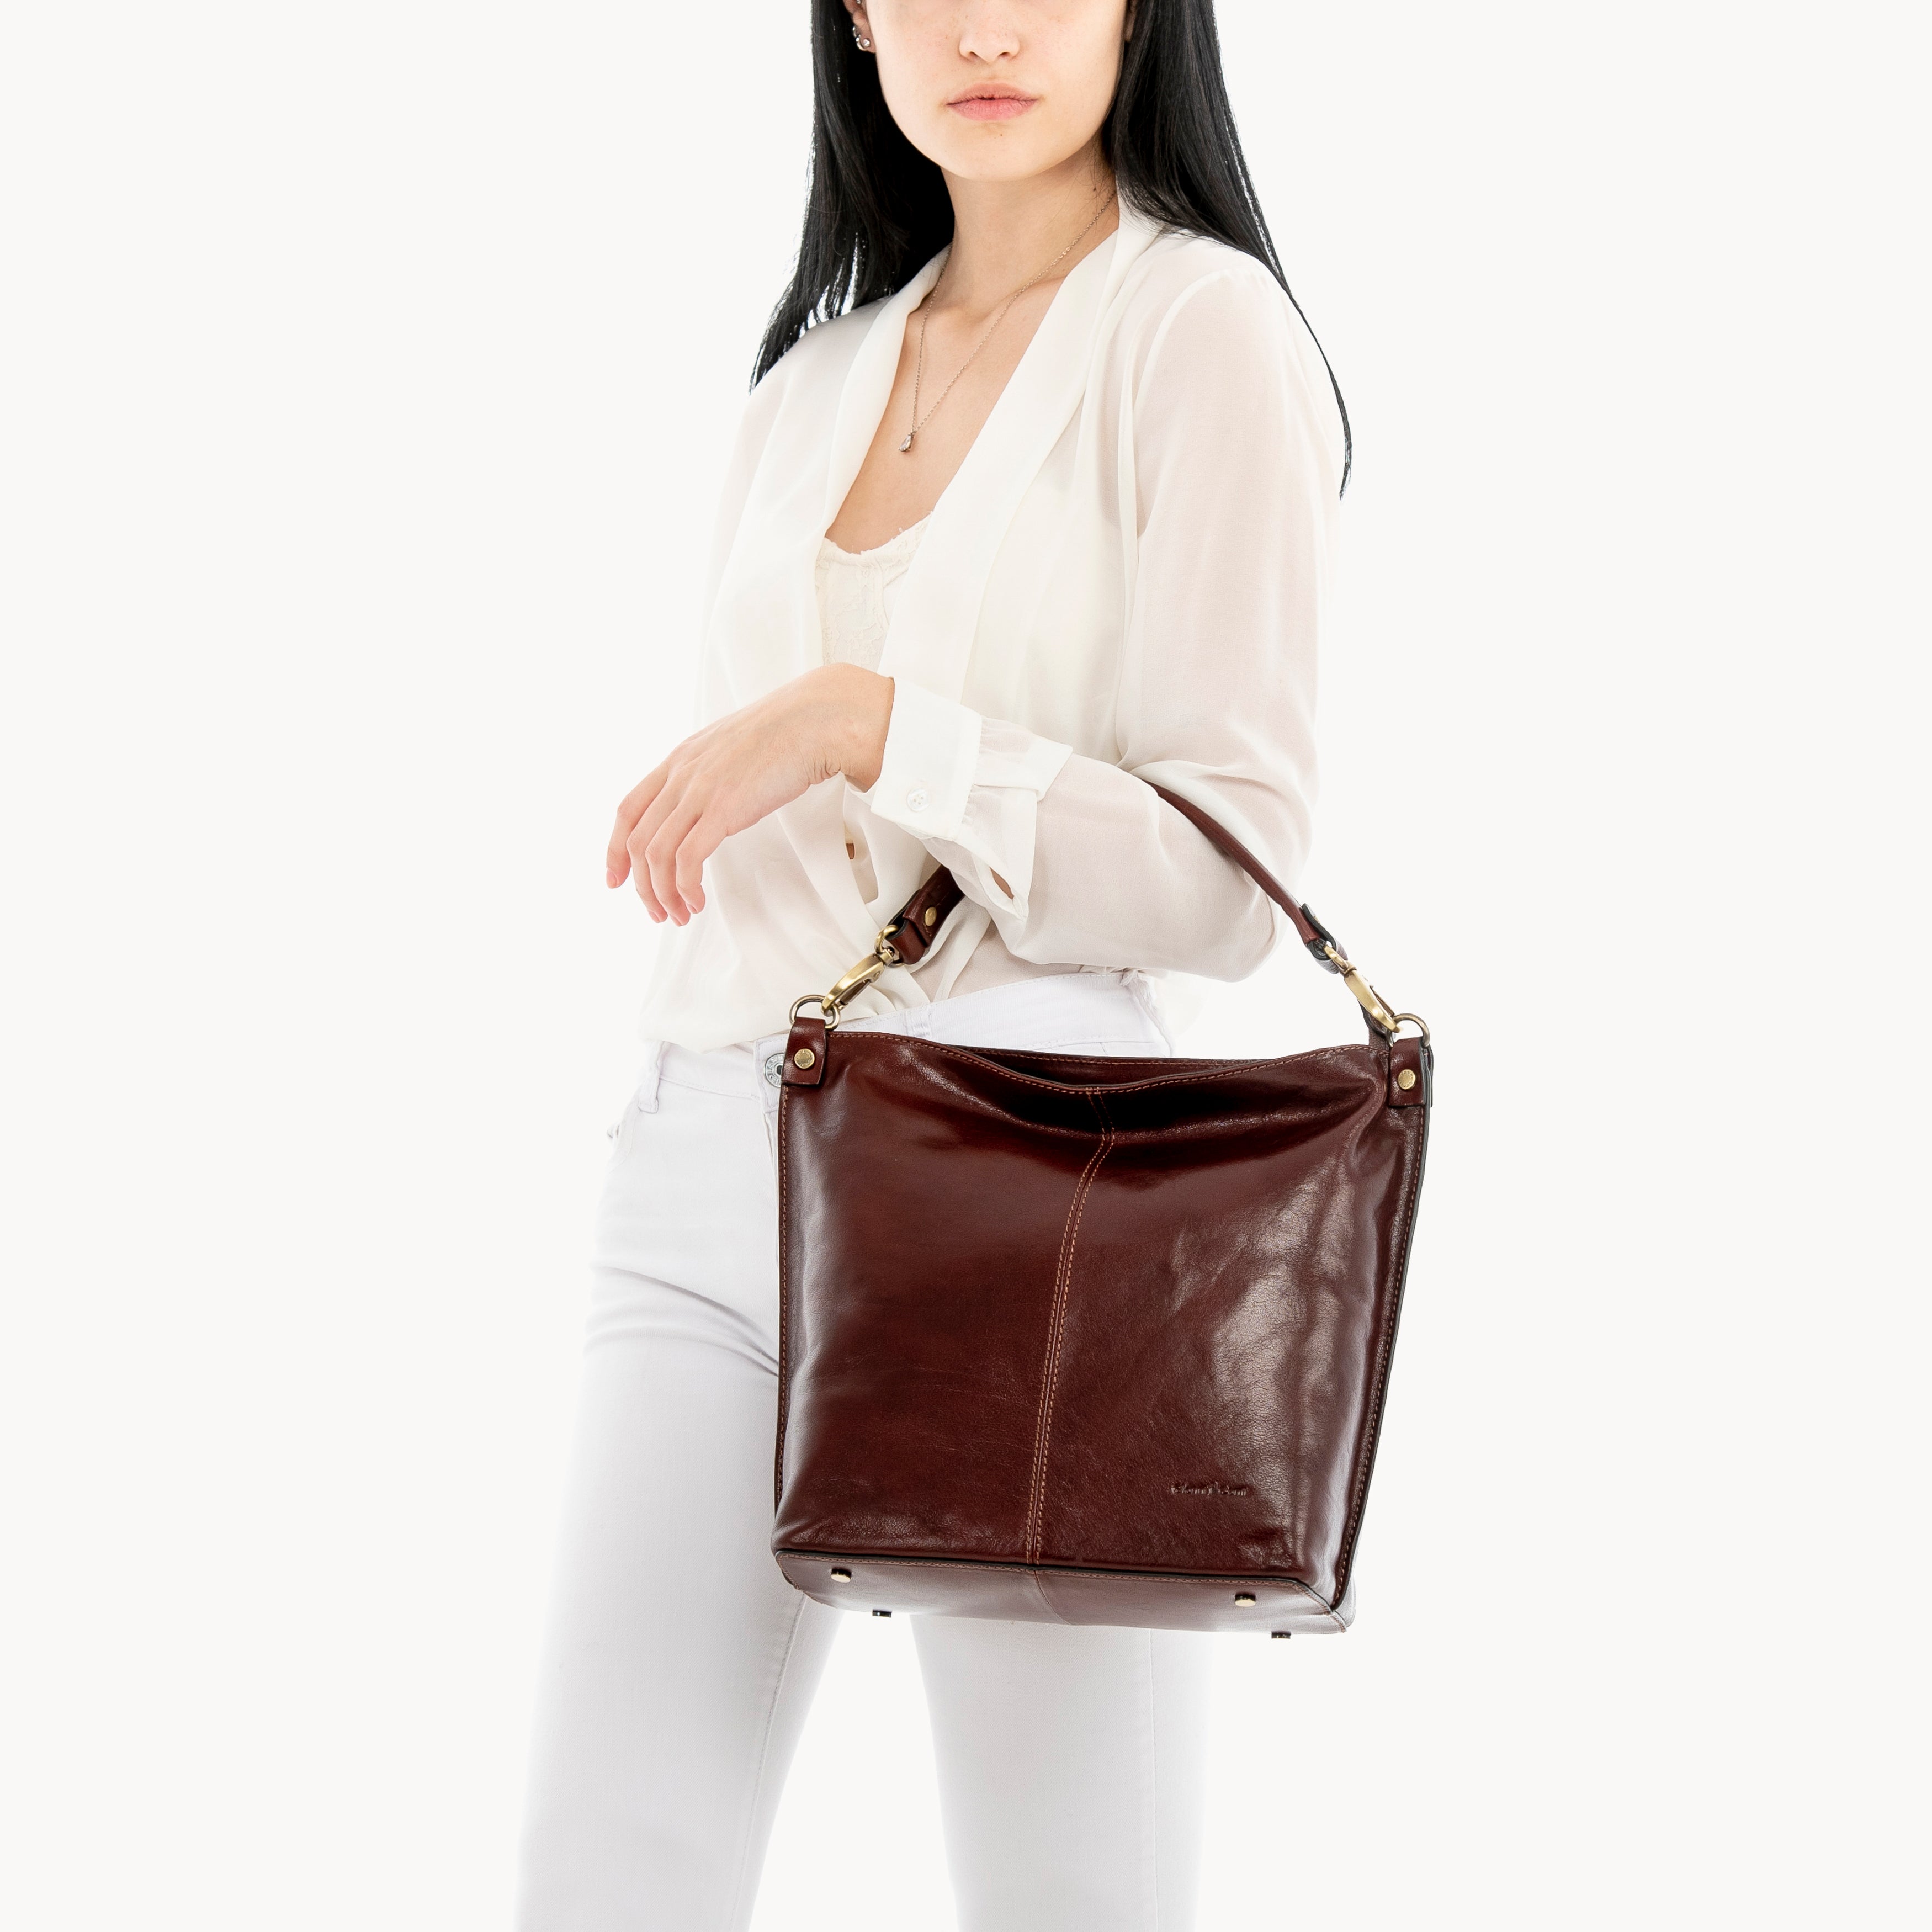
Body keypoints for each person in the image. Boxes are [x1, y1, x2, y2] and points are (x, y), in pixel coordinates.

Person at [515, 2, 1349, 1926]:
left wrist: (877, 725)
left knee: (1068, 1887)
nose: (986, 25)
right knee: (603, 1862)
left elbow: (1232, 873)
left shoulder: (1195, 333)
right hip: (710, 1147)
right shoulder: (806, 382)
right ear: (858, 14)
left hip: (1034, 1173)